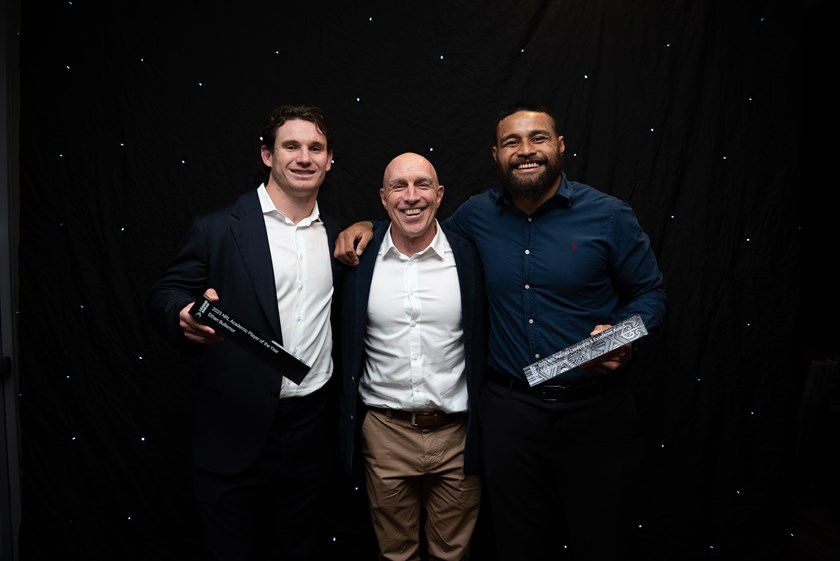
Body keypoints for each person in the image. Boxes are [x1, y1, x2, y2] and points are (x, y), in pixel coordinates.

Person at [334, 104, 667, 561]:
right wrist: (366, 228)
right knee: (517, 540)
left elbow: (650, 291)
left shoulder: (608, 215)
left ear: (560, 146)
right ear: (496, 154)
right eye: (512, 142)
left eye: (538, 138)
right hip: (511, 412)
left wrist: (621, 337)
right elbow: (415, 230)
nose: (525, 150)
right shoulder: (476, 217)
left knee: (602, 535)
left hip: (596, 410)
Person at [147, 104, 345, 561]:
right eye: (290, 146)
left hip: (311, 430)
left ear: (329, 160)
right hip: (233, 430)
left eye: (316, 147)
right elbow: (164, 291)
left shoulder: (336, 234)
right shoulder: (217, 228)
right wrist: (182, 313)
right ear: (267, 155)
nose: (304, 157)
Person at [339, 152, 487, 561]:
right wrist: (365, 226)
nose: (411, 196)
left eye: (422, 184)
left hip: (458, 433)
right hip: (386, 432)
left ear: (439, 195)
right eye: (398, 187)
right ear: (383, 198)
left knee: (452, 554)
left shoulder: (471, 256)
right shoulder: (357, 258)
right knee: (395, 554)